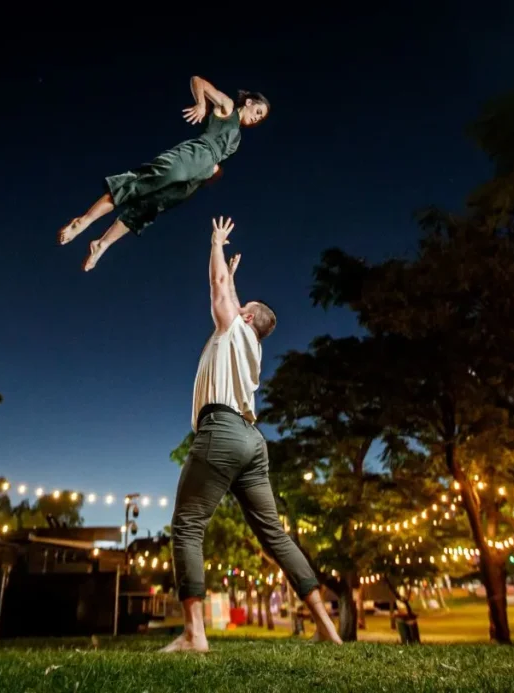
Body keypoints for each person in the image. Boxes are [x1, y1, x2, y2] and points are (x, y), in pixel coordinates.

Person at [161, 217, 343, 653]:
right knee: (275, 536)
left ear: (245, 317)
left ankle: (194, 634)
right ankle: (327, 627)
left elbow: (217, 285)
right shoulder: (251, 343)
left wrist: (216, 244)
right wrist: (236, 280)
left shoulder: (231, 329)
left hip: (222, 431)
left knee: (187, 526)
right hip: (252, 442)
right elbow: (234, 297)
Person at [57, 76, 270, 271]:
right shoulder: (229, 107)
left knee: (149, 208)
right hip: (191, 156)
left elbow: (218, 156)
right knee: (139, 184)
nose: (256, 119)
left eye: (261, 119)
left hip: (197, 175)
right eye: (258, 112)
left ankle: (102, 244)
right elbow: (198, 81)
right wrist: (201, 103)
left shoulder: (238, 140)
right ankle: (83, 221)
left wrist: (212, 172)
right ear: (249, 102)